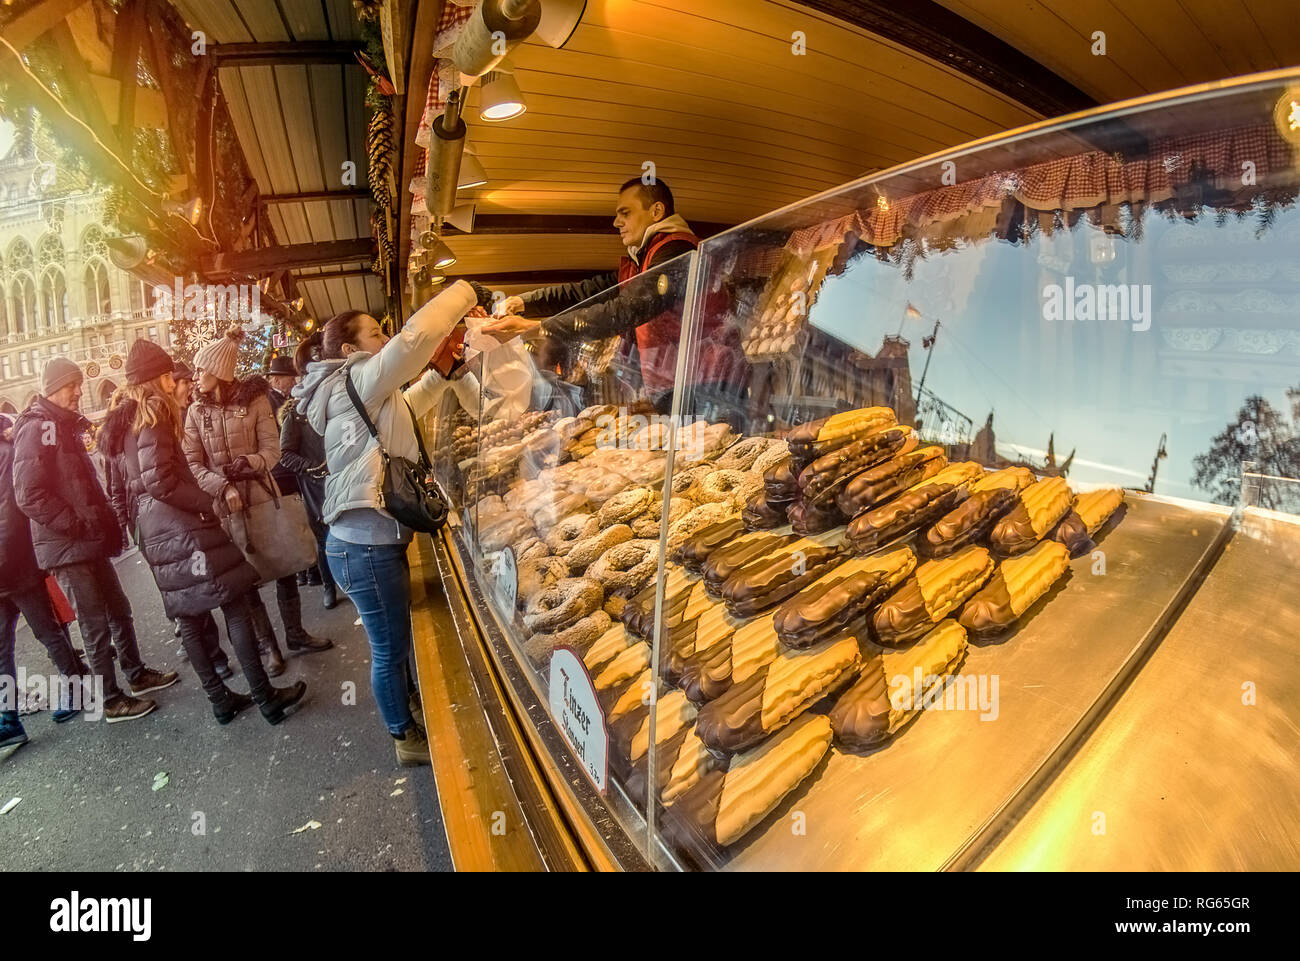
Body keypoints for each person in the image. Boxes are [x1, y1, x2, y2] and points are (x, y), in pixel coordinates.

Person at [292, 283, 487, 765]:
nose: (385, 339)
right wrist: (465, 292)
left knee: (395, 644)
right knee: (389, 649)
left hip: (368, 544)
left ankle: (410, 710)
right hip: (364, 548)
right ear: (348, 349)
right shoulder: (354, 378)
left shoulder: (357, 391)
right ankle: (404, 737)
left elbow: (407, 409)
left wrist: (441, 376)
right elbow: (412, 341)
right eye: (375, 333)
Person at [98, 340, 306, 725]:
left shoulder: (125, 420)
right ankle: (266, 697)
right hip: (183, 526)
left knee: (190, 616)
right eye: (167, 374)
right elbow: (160, 480)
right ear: (157, 378)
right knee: (236, 600)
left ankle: (221, 700)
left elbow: (140, 482)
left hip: (157, 529)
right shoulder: (155, 412)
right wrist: (205, 502)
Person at [484, 177, 742, 412]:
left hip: (709, 386)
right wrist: (524, 301)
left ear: (656, 211)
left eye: (625, 213)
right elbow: (587, 291)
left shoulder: (677, 251)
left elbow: (629, 309)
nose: (616, 222)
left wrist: (540, 328)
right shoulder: (643, 259)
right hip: (679, 384)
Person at [12, 358, 177, 722]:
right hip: (67, 546)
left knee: (118, 609)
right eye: (72, 385)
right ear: (54, 386)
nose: (79, 391)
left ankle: (136, 675)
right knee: (94, 625)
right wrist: (74, 523)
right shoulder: (38, 427)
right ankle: (110, 699)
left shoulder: (60, 425)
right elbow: (28, 494)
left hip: (86, 539)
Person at [183, 327, 333, 677]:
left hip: (264, 495)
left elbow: (273, 449)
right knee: (245, 578)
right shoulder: (195, 413)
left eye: (202, 370)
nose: (196, 376)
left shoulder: (256, 401)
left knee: (284, 565)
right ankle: (270, 648)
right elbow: (193, 463)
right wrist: (223, 486)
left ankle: (295, 634)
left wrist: (249, 464)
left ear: (219, 372)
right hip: (226, 506)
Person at [1, 413, 87, 746]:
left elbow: (12, 513)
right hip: (9, 568)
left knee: (48, 632)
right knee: (5, 648)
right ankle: (10, 720)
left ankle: (79, 689)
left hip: (16, 566)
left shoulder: (6, 454)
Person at [277, 362, 343, 609]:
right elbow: (286, 455)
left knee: (347, 533)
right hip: (315, 485)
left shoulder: (334, 402)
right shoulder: (295, 413)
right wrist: (315, 467)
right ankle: (329, 587)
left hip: (340, 478)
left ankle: (349, 583)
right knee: (325, 539)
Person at [267, 354, 323, 589]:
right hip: (283, 471)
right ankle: (304, 569)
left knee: (307, 520)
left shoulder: (293, 397)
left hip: (297, 468)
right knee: (294, 523)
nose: (293, 381)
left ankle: (312, 569)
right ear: (276, 380)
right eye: (289, 377)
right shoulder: (268, 402)